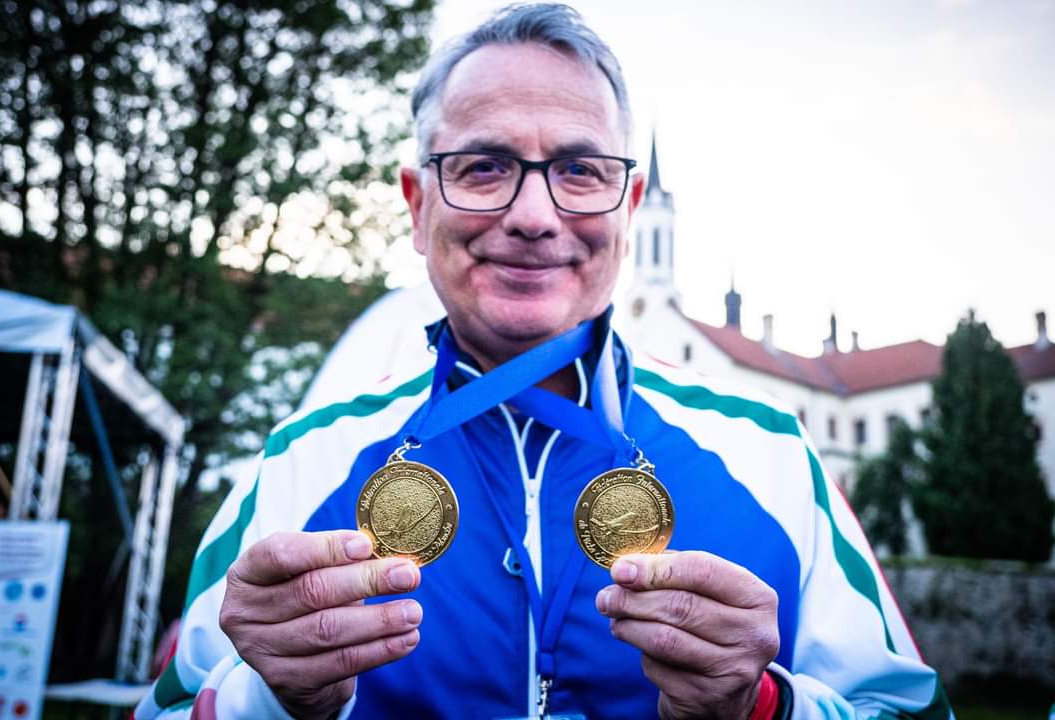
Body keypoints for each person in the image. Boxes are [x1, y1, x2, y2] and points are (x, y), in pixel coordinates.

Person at [135, 4, 952, 719]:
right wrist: (269, 702)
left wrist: (766, 707)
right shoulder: (300, 460)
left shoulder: (771, 453)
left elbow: (911, 712)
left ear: (628, 210)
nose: (533, 215)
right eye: (483, 167)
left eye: (579, 171)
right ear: (418, 207)